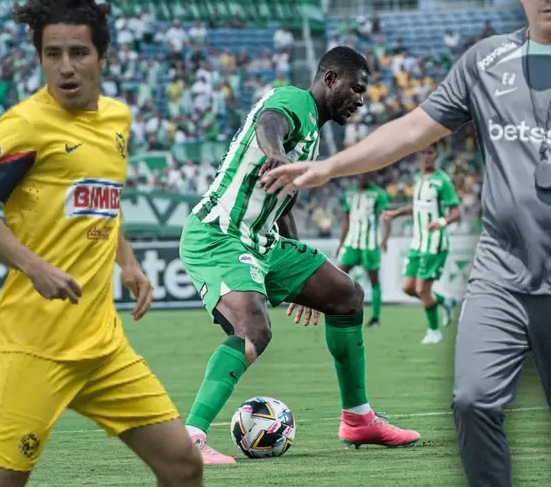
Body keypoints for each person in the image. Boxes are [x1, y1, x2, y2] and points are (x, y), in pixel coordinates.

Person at [261, 0, 551, 487]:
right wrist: (329, 166)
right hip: (500, 276)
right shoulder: (486, 61)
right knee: (473, 401)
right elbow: (411, 131)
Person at [0, 0, 201, 487]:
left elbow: (100, 203)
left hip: (102, 346)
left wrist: (130, 263)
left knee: (183, 466)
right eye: (53, 54)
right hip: (38, 342)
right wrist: (34, 267)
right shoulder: (24, 126)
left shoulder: (117, 119)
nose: (66, 67)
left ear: (103, 57)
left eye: (78, 52)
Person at [178, 45, 422, 465]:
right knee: (254, 328)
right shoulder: (295, 101)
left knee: (346, 296)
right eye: (356, 88)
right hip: (219, 234)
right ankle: (190, 438)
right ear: (329, 79)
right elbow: (268, 123)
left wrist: (291, 280)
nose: (360, 99)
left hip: (262, 241)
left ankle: (358, 419)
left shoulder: (312, 138)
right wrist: (276, 154)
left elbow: (282, 206)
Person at [381, 144, 462, 343]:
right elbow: (417, 207)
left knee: (422, 289)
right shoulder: (418, 179)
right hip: (418, 243)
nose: (426, 157)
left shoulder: (442, 181)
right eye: (423, 153)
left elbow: (457, 212)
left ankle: (434, 332)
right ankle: (446, 301)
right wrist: (396, 213)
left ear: (437, 155)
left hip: (435, 243)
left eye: (431, 153)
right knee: (408, 287)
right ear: (418, 155)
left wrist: (441, 222)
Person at [336, 173, 391, 328]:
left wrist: (385, 239)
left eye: (367, 173)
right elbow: (346, 219)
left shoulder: (378, 194)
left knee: (374, 280)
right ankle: (339, 312)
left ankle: (375, 318)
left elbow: (386, 218)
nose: (363, 176)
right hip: (351, 243)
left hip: (370, 244)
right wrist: (341, 243)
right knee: (339, 277)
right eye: (360, 173)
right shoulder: (349, 193)